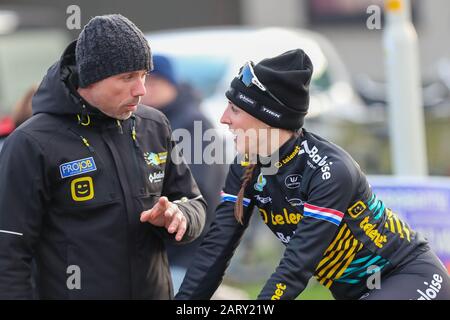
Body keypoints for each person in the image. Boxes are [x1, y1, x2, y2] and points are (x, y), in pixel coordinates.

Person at [175, 49, 450, 300]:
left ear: (268, 118)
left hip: (408, 276)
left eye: (235, 109)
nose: (224, 118)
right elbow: (216, 248)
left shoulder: (329, 170)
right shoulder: (245, 166)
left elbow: (296, 266)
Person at [0, 14, 206, 300]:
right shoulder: (30, 142)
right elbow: (8, 251)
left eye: (145, 75)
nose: (141, 89)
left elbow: (194, 202)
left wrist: (179, 216)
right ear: (90, 78)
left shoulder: (155, 125)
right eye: (128, 77)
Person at [141, 54, 226, 293]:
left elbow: (200, 191)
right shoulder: (148, 121)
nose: (147, 89)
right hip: (163, 250)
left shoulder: (192, 123)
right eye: (144, 82)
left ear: (172, 84)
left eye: (155, 82)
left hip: (187, 251)